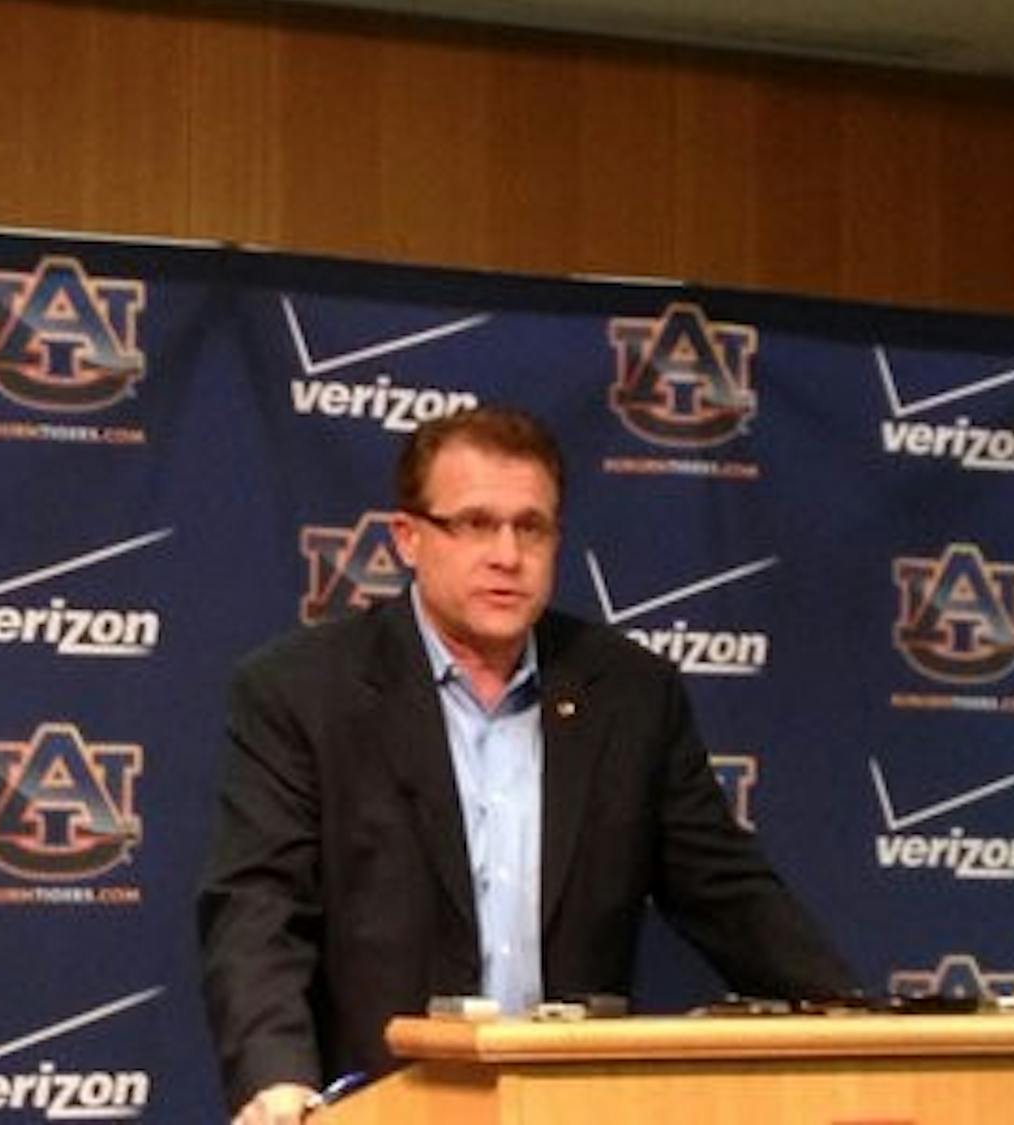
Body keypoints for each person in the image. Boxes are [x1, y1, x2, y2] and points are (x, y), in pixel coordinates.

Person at [198, 406, 856, 1125]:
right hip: (384, 1104)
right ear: (409, 538)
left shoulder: (630, 693)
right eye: (475, 524)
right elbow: (257, 910)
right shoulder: (302, 690)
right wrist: (276, 1078)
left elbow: (729, 894)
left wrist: (862, 1025)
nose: (507, 555)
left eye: (530, 526)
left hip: (572, 1107)